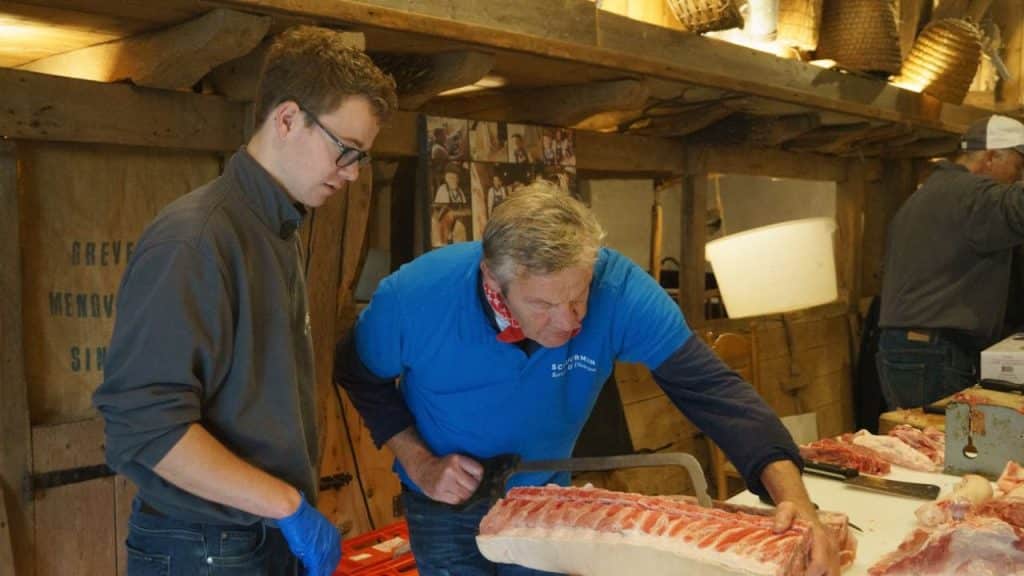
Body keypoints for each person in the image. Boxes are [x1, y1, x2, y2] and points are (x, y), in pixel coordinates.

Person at [335, 183, 840, 576]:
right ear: (494, 280)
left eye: (578, 296)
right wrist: (419, 462)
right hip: (442, 497)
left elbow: (712, 389)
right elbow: (358, 375)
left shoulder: (620, 289)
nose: (568, 322)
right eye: (543, 304)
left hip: (544, 496)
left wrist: (793, 498)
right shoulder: (414, 297)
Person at [92, 26, 397, 576]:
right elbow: (146, 427)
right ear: (287, 119)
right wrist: (285, 505)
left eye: (362, 157)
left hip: (254, 536)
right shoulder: (196, 240)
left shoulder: (275, 228)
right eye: (346, 149)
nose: (353, 172)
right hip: (204, 547)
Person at [877, 114, 1024, 410]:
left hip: (912, 348)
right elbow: (1018, 207)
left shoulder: (934, 192)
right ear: (991, 157)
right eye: (1019, 167)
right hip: (934, 353)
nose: (1018, 177)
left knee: (924, 437)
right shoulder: (973, 195)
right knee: (948, 439)